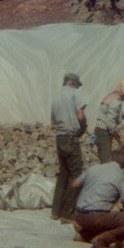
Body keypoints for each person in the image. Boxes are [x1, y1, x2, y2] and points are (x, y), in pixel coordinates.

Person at [72, 149, 124, 248]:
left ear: (110, 158)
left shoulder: (93, 168)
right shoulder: (121, 177)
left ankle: (85, 234)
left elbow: (75, 184)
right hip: (96, 217)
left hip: (79, 216)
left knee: (107, 220)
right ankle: (102, 240)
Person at [50, 72, 87, 223]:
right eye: (77, 85)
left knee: (63, 173)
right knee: (76, 174)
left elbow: (53, 121)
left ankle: (55, 211)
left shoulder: (56, 96)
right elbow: (80, 116)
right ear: (74, 83)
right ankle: (68, 213)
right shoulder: (75, 94)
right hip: (71, 138)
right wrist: (83, 128)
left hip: (60, 138)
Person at [93, 79, 124, 163]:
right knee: (106, 161)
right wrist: (119, 140)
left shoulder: (111, 98)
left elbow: (108, 114)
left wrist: (120, 116)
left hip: (100, 130)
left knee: (105, 157)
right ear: (123, 92)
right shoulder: (115, 102)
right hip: (103, 132)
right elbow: (110, 124)